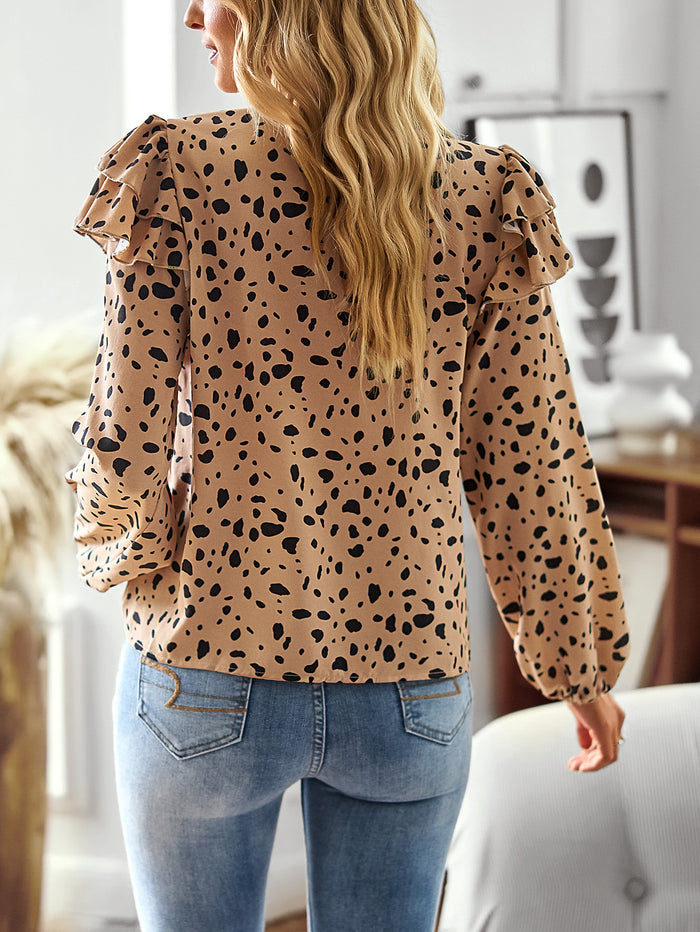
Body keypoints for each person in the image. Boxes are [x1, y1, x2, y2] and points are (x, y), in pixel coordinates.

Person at [64, 1, 629, 929]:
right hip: (411, 692)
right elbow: (532, 462)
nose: (194, 12)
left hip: (204, 672)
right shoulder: (487, 198)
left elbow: (121, 448)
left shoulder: (179, 175)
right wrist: (580, 667)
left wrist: (133, 565)